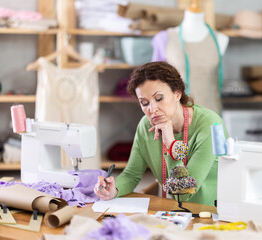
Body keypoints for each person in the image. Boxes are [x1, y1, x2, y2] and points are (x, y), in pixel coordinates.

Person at [94, 61, 228, 206]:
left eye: (159, 98)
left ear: (177, 93)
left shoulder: (210, 126)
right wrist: (113, 189)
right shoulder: (146, 126)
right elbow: (132, 174)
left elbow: (184, 193)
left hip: (211, 216)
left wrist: (171, 144)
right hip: (174, 212)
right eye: (144, 103)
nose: (152, 109)